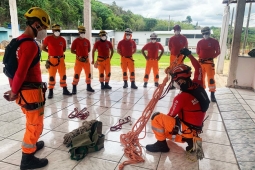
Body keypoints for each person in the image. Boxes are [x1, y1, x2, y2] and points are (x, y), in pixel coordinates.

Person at [3, 7, 50, 169]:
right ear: (36, 25)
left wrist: (14, 90)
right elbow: (21, 72)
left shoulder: (18, 41)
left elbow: (11, 70)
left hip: (24, 92)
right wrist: (14, 91)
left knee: (32, 121)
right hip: (30, 92)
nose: (44, 32)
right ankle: (27, 157)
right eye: (43, 28)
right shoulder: (30, 45)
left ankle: (33, 144)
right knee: (35, 124)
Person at [146, 48, 209, 153]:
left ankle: (161, 145)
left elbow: (170, 115)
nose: (174, 83)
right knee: (172, 127)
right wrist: (189, 55)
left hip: (186, 128)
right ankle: (193, 142)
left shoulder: (180, 98)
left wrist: (166, 126)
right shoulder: (198, 84)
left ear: (180, 81)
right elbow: (198, 68)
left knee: (156, 118)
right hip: (196, 128)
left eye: (175, 81)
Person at [42, 23, 72, 99]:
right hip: (52, 60)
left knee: (63, 75)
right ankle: (51, 91)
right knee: (52, 76)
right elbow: (43, 48)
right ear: (52, 30)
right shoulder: (48, 39)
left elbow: (64, 49)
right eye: (56, 30)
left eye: (58, 30)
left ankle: (64, 89)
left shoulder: (62, 39)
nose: (57, 31)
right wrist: (50, 53)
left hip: (61, 59)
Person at [196, 27, 220, 102]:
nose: (205, 35)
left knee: (211, 79)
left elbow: (218, 52)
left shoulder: (214, 41)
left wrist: (210, 57)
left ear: (209, 33)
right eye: (204, 34)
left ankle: (212, 95)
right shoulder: (200, 42)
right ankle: (201, 94)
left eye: (206, 33)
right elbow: (198, 52)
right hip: (201, 63)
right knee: (200, 79)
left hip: (209, 63)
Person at [71, 25, 94, 93]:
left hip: (86, 60)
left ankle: (88, 86)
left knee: (88, 74)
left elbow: (89, 50)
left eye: (84, 32)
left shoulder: (87, 41)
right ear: (79, 33)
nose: (83, 34)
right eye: (81, 33)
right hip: (79, 60)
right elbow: (72, 50)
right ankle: (74, 88)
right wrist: (78, 54)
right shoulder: (75, 41)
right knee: (77, 74)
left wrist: (84, 55)